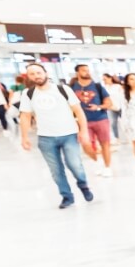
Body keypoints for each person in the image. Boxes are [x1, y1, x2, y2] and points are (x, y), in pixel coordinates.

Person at [19, 64, 95, 209]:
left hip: (69, 134)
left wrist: (83, 131)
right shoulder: (28, 94)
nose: (36, 76)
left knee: (75, 165)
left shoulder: (63, 89)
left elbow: (78, 111)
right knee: (56, 170)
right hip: (45, 138)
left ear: (45, 73)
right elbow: (25, 116)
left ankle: (83, 185)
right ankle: (67, 196)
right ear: (28, 77)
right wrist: (24, 137)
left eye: (39, 72)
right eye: (32, 74)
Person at [70, 64, 116, 177]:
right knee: (86, 145)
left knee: (105, 144)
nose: (87, 72)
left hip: (100, 119)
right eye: (83, 70)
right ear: (77, 73)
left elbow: (109, 103)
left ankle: (107, 167)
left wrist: (98, 107)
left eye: (88, 70)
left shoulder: (97, 86)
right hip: (82, 122)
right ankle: (97, 161)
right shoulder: (72, 88)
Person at [102, 73, 125, 141]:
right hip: (111, 108)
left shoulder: (117, 86)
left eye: (105, 79)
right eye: (103, 80)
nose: (104, 81)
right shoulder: (104, 88)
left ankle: (128, 137)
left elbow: (123, 96)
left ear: (110, 78)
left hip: (121, 107)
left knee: (124, 122)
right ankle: (117, 138)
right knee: (113, 123)